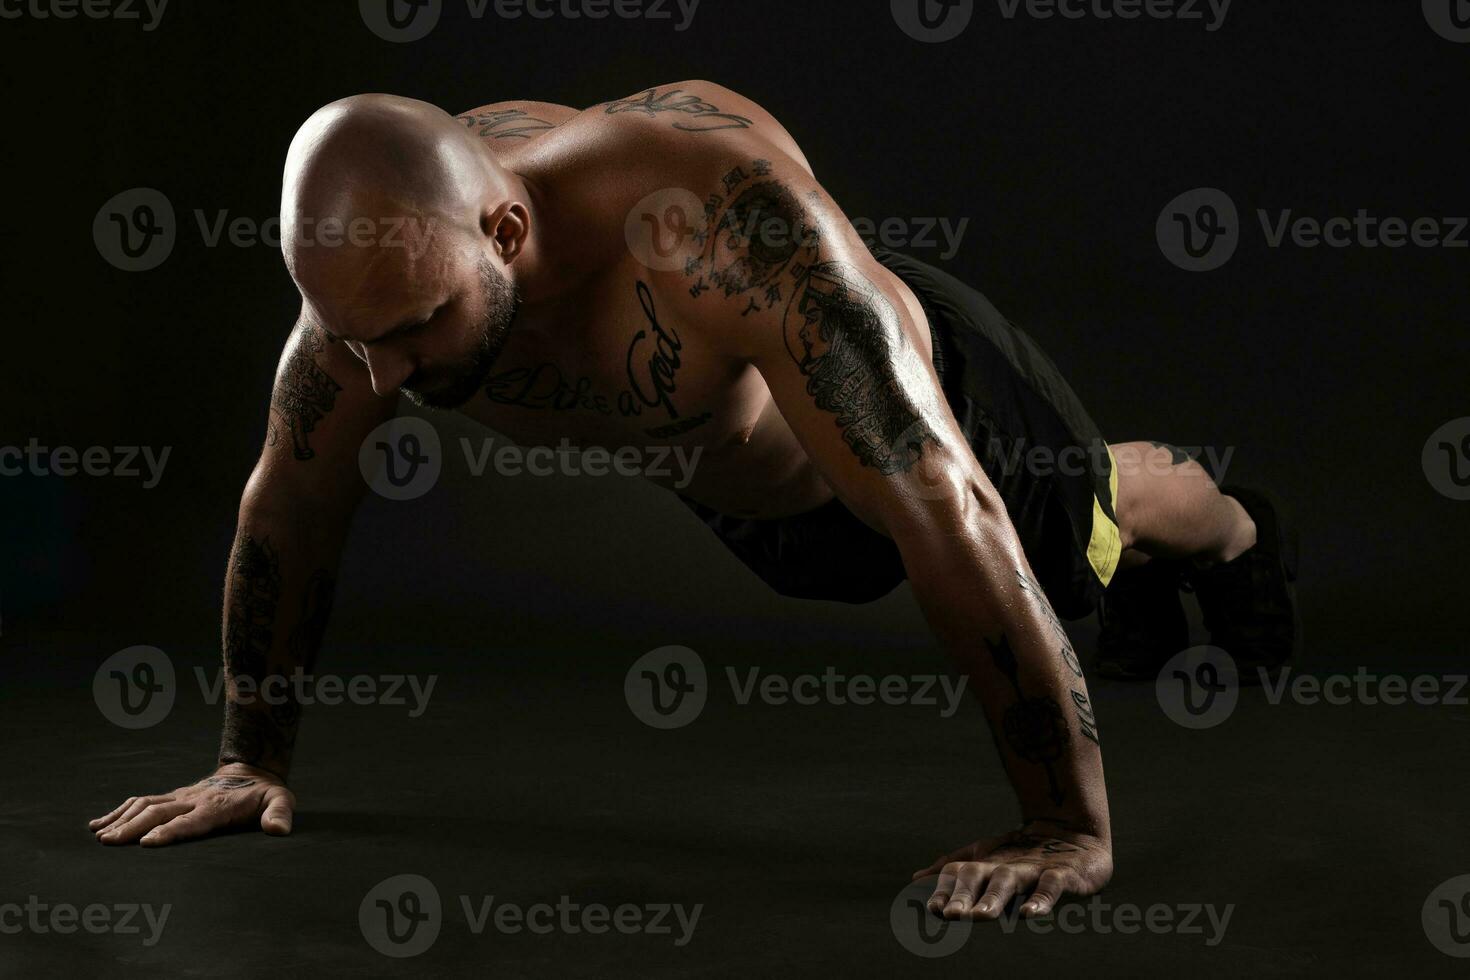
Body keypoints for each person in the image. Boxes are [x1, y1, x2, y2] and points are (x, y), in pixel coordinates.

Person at [88, 82, 1297, 921]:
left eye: (414, 334)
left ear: (505, 230)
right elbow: (289, 506)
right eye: (354, 343)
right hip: (762, 501)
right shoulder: (372, 277)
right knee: (971, 539)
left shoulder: (714, 228)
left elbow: (946, 501)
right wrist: (250, 756)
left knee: (1090, 522)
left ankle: (1235, 534)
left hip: (933, 421)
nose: (382, 379)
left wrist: (1062, 826)